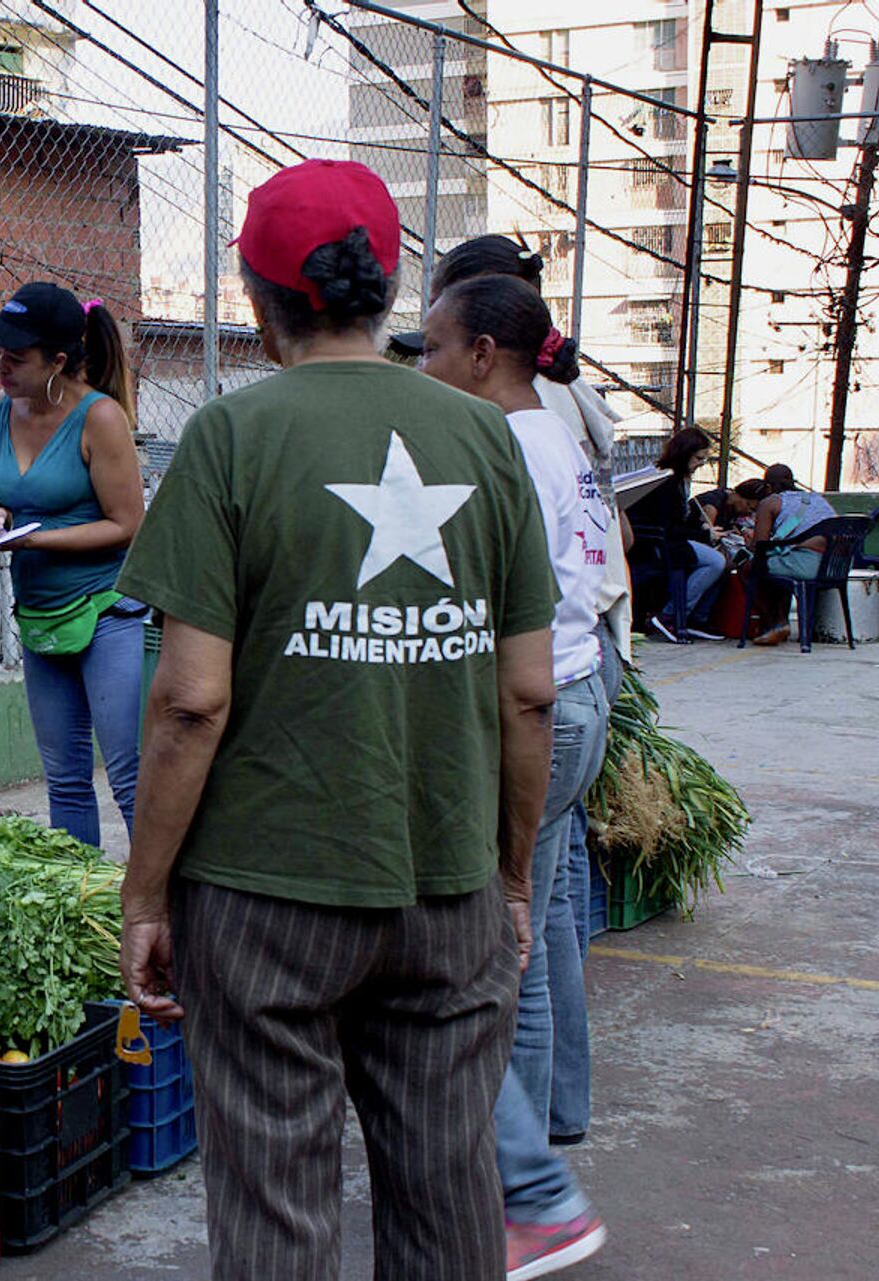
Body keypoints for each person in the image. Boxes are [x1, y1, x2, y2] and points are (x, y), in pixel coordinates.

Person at [115, 159, 558, 1279]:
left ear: (260, 299)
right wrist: (507, 876)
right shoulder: (483, 438)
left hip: (268, 896)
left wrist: (146, 891)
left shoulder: (230, 437)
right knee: (448, 1187)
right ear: (393, 278)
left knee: (276, 1204)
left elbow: (190, 699)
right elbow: (529, 692)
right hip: (446, 881)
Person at [420, 273, 611, 1277]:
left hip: (540, 706)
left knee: (502, 949)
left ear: (484, 353)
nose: (428, 366)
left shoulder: (502, 444)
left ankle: (526, 1191)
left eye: (436, 348)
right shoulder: (555, 431)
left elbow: (507, 637)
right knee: (549, 913)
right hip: (582, 690)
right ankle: (557, 1120)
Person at [0, 283, 145, 847]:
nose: (2, 365)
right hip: (40, 615)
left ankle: (165, 913)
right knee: (65, 781)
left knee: (129, 778)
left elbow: (127, 524)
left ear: (59, 361)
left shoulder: (101, 418)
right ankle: (81, 907)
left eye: (16, 358)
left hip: (108, 614)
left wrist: (33, 540)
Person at [628, 428, 727, 643]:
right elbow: (669, 526)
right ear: (685, 454)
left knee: (719, 560)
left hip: (665, 540)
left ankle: (693, 617)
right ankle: (672, 614)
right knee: (716, 562)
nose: (701, 463)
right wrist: (704, 533)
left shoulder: (674, 478)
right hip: (660, 544)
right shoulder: (668, 481)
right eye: (699, 458)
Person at [747, 464, 840, 646]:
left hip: (806, 565)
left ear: (767, 486)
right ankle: (781, 623)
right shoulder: (818, 499)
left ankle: (775, 623)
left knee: (751, 568)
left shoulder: (770, 502)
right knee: (780, 564)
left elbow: (760, 548)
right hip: (832, 568)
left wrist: (749, 541)